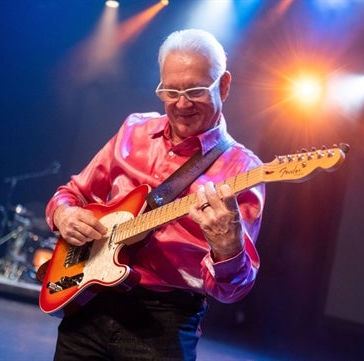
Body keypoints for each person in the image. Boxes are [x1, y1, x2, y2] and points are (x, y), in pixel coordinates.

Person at [45, 28, 265, 361]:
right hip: (89, 305)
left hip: (163, 326)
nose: (181, 103)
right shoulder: (133, 129)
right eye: (170, 90)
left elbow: (233, 290)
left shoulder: (242, 169)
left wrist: (227, 246)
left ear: (223, 85)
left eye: (195, 90)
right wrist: (65, 215)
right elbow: (70, 193)